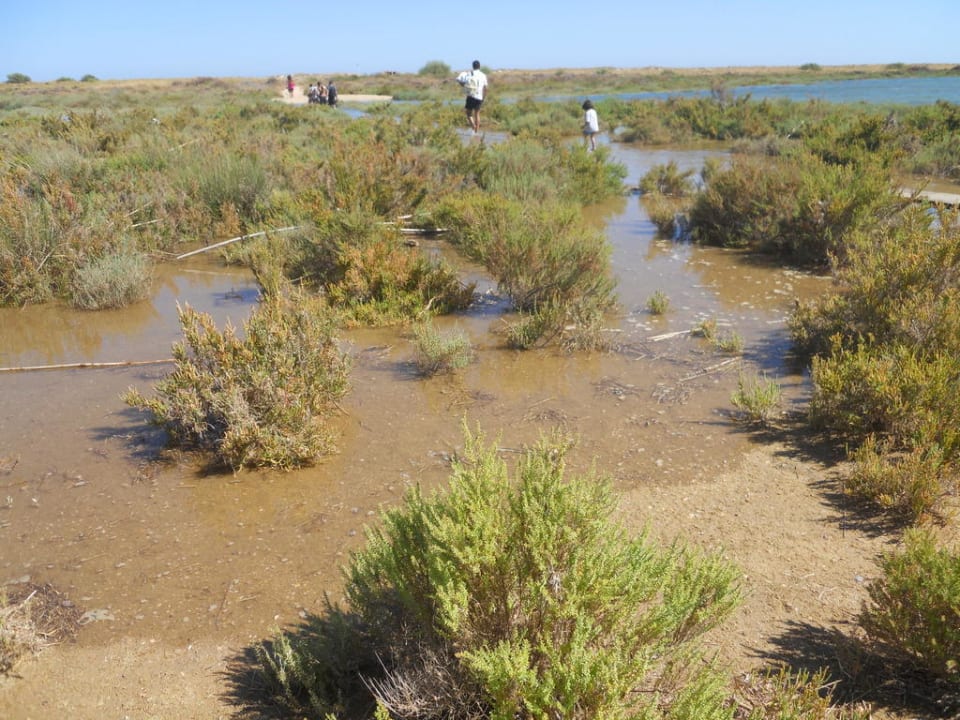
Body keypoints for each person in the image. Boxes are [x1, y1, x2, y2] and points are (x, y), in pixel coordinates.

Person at [457, 60, 488, 133]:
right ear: (479, 66)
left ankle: (473, 127)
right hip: (479, 97)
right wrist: (483, 98)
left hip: (471, 96)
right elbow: (486, 88)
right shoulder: (483, 75)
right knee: (477, 114)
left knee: (468, 114)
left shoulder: (469, 74)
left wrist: (462, 84)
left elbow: (464, 83)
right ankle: (477, 131)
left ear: (473, 66)